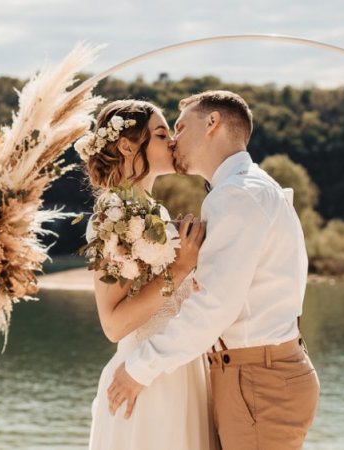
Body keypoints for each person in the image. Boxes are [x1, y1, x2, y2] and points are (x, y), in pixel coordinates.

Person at [107, 91, 320, 450]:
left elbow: (215, 307)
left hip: (258, 381)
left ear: (212, 123)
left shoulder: (237, 196)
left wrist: (138, 369)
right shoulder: (251, 188)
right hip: (256, 374)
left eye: (179, 127)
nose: (173, 140)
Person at [80, 99, 214, 450]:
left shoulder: (154, 208)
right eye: (160, 134)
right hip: (146, 381)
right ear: (127, 146)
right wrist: (181, 268)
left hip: (182, 367)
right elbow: (114, 325)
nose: (171, 142)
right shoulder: (113, 214)